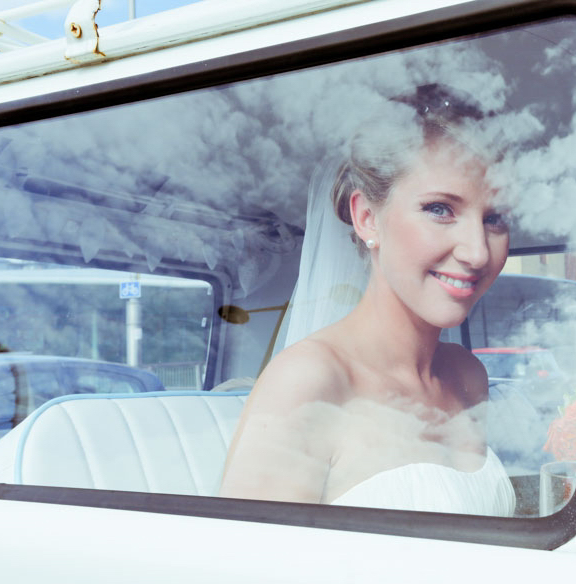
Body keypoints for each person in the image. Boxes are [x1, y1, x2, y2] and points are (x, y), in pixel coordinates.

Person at [219, 90, 516, 515]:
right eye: (440, 209)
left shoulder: (468, 375)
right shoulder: (309, 381)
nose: (478, 252)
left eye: (495, 218)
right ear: (367, 218)